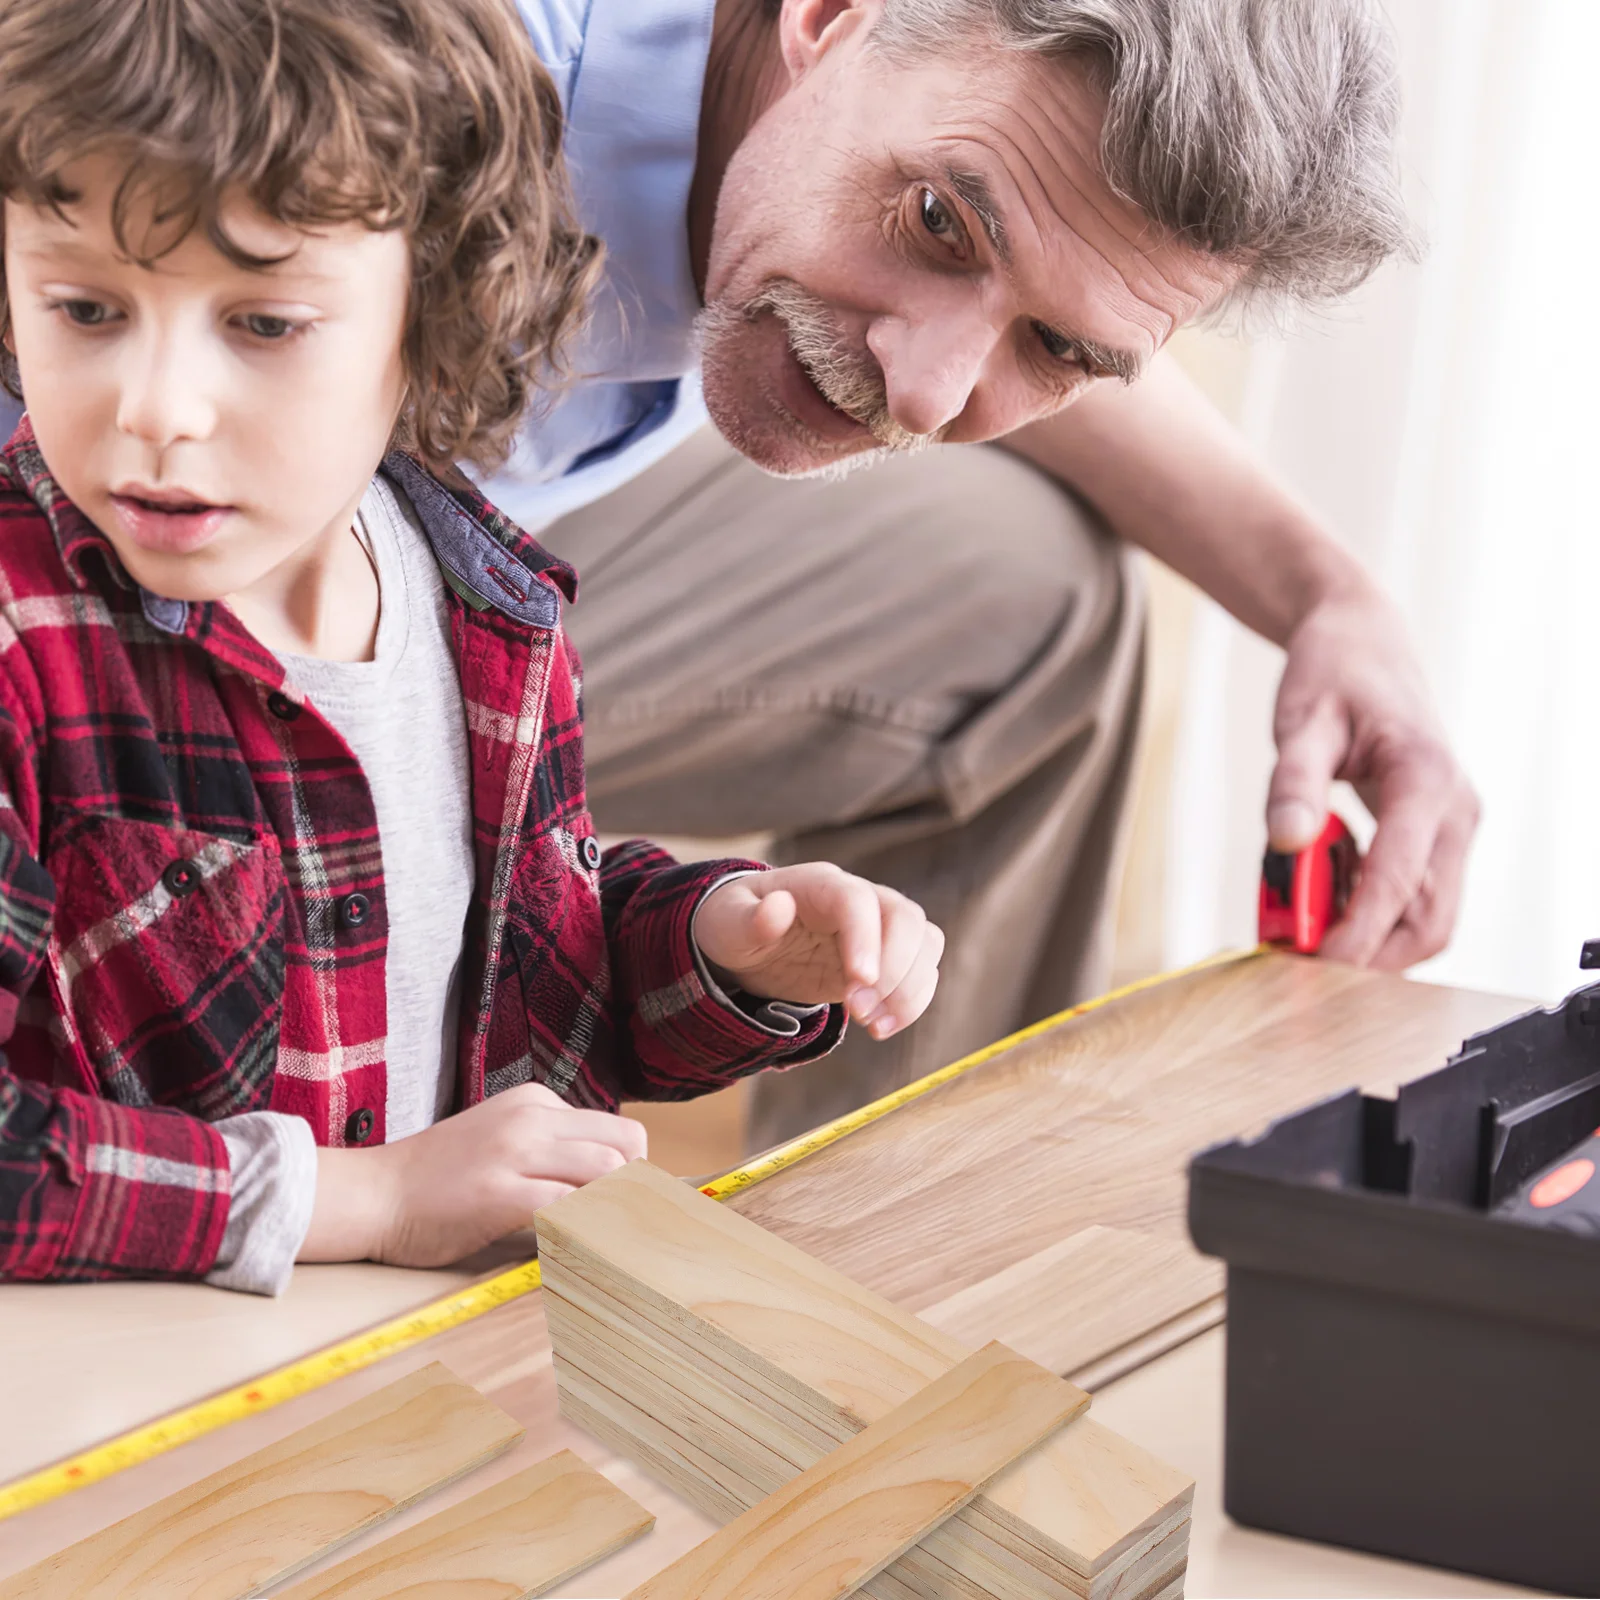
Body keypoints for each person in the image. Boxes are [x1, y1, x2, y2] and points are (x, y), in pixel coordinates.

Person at [0, 0, 942, 1291]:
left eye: (264, 323)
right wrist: (370, 1197)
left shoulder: (487, 609)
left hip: (427, 1367)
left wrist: (724, 942)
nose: (158, 409)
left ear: (432, 305)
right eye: (85, 309)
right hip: (141, 1396)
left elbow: (521, 975)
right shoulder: (22, 648)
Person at [491, 0, 1482, 1152]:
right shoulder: (428, 94)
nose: (926, 393)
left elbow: (1056, 254)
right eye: (937, 223)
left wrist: (1331, 598)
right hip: (311, 603)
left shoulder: (888, 125)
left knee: (1035, 606)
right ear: (828, 19)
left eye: (1053, 346)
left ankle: (873, 1246)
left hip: (490, 524)